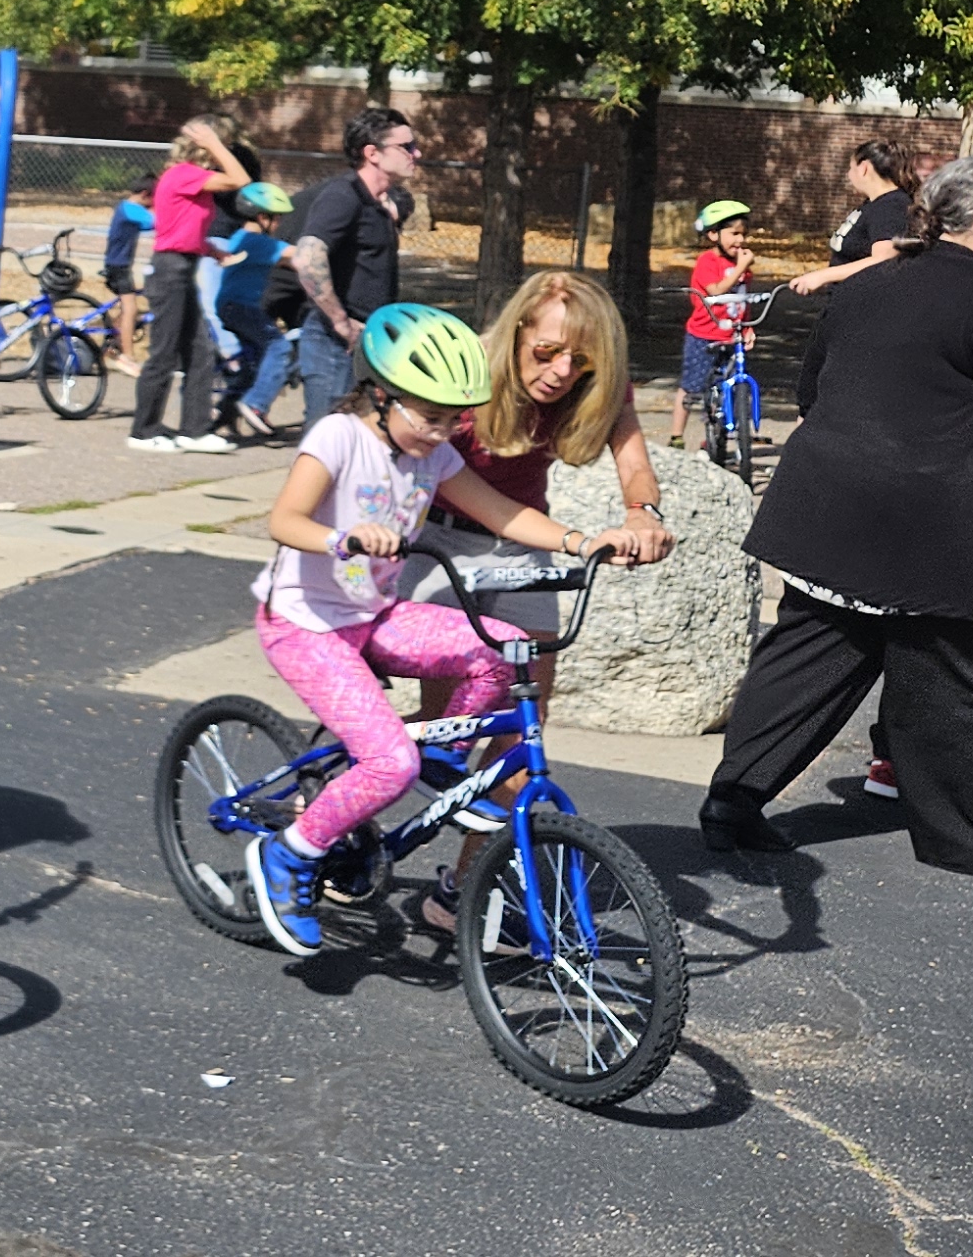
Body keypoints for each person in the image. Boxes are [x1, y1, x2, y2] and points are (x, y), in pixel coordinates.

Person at [700, 154, 973, 880]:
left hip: (830, 506)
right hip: (942, 524)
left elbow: (815, 385)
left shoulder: (869, 283)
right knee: (971, 679)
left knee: (810, 654)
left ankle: (733, 800)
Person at [244, 305, 610, 955]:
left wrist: (584, 542)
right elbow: (284, 520)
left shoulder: (432, 455)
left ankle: (439, 761)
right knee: (388, 760)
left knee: (499, 650)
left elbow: (500, 511)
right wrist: (342, 537)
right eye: (430, 415)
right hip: (306, 624)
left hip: (374, 615)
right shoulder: (338, 436)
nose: (443, 432)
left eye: (452, 419)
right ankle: (291, 854)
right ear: (382, 394)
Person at [405, 269, 683, 929]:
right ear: (519, 329)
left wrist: (642, 513)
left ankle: (460, 894)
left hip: (523, 549)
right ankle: (326, 821)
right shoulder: (466, 368)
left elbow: (635, 463)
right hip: (439, 542)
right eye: (546, 351)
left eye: (577, 359)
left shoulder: (594, 381)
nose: (560, 371)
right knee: (436, 728)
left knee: (519, 728)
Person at [130, 116, 254, 453]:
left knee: (199, 351)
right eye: (220, 147)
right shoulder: (185, 174)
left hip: (182, 267)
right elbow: (240, 179)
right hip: (169, 272)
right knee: (164, 353)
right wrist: (214, 144)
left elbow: (179, 228)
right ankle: (142, 431)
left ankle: (194, 431)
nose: (223, 152)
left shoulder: (189, 180)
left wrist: (211, 250)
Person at [285, 107, 420, 412]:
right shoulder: (343, 195)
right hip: (334, 345)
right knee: (329, 446)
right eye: (406, 147)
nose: (417, 153)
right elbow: (307, 258)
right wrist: (340, 322)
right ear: (373, 153)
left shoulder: (376, 203)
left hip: (369, 341)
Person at [663, 201, 758, 449]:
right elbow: (715, 291)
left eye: (743, 234)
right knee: (692, 386)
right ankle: (676, 435)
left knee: (730, 388)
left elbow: (742, 301)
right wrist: (740, 268)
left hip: (731, 337)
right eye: (734, 234)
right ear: (713, 234)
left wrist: (747, 327)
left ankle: (715, 439)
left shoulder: (742, 268)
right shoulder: (708, 262)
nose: (740, 240)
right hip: (703, 336)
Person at [212, 181, 298, 438]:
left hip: (230, 306)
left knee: (253, 362)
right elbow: (299, 255)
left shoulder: (242, 237)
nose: (280, 225)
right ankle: (256, 406)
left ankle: (223, 414)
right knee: (279, 348)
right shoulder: (258, 242)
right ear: (262, 217)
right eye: (278, 219)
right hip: (240, 307)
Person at [785, 139, 914, 299]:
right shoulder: (874, 204)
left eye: (851, 168)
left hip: (864, 309)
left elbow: (884, 259)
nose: (848, 174)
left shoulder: (891, 206)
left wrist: (823, 276)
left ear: (864, 168)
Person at [101, 180, 155, 366]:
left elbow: (148, 225)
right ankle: (129, 356)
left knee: (128, 311)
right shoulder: (132, 209)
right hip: (119, 266)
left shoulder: (126, 207)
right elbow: (156, 222)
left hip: (119, 265)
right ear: (145, 194)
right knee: (130, 309)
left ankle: (112, 345)